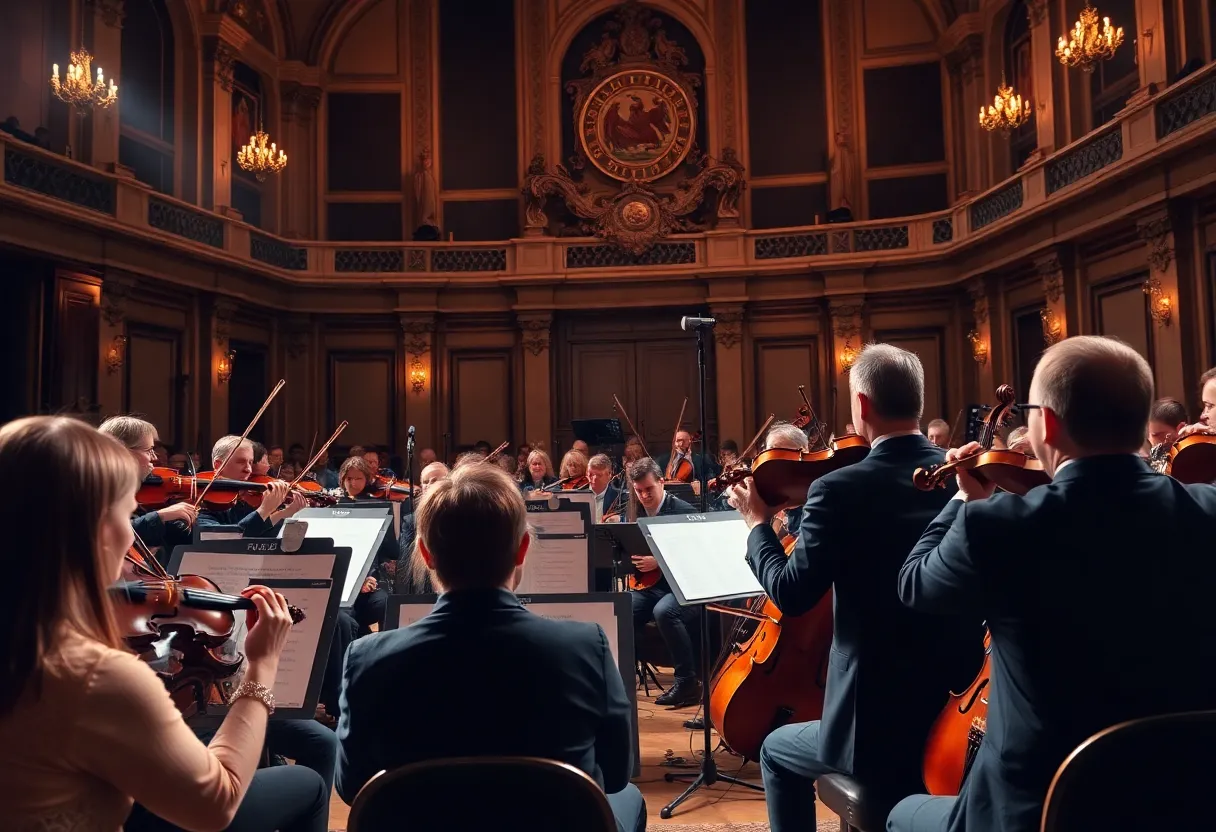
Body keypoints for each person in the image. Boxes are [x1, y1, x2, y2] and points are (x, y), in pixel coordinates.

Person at [888, 336, 1216, 832]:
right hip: (1184, 804)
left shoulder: (996, 526)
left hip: (1040, 811)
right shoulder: (1209, 511)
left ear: (1050, 423)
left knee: (901, 815)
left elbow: (914, 584)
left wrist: (963, 502)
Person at [0, 416, 328, 832]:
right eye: (128, 514)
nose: (131, 538)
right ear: (96, 531)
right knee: (308, 783)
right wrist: (261, 664)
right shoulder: (94, 676)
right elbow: (215, 805)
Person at [725, 343, 981, 832]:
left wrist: (758, 524)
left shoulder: (838, 489)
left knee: (775, 750)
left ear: (861, 405)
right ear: (918, 401)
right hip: (955, 712)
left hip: (872, 723)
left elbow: (792, 593)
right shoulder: (965, 478)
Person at [336, 463, 646, 832]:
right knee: (628, 798)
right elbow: (613, 775)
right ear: (522, 549)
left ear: (425, 552)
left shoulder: (367, 658)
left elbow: (351, 785)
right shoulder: (585, 647)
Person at [627, 456, 701, 707]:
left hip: (684, 584)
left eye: (649, 489)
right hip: (653, 585)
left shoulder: (683, 511)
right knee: (622, 609)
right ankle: (625, 673)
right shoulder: (635, 510)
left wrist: (658, 561)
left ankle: (687, 682)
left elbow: (696, 556)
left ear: (662, 483)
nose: (644, 496)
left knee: (664, 612)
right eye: (639, 491)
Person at [98, 416, 197, 554]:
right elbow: (105, 535)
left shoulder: (132, 491)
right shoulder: (96, 490)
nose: (154, 458)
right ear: (122, 451)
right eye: (148, 450)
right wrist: (160, 516)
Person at [196, 435, 306, 534]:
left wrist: (285, 513)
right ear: (218, 465)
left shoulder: (246, 499)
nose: (248, 469)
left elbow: (260, 538)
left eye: (250, 462)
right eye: (240, 462)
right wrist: (263, 510)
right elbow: (227, 540)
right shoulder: (201, 503)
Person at [396, 461, 451, 593]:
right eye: (425, 482)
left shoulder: (460, 515)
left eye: (436, 480)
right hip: (424, 580)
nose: (430, 485)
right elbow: (405, 560)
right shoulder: (410, 521)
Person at [587, 453, 622, 522]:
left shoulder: (618, 497)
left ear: (609, 475)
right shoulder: (578, 495)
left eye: (599, 475)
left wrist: (618, 519)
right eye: (590, 475)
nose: (593, 479)